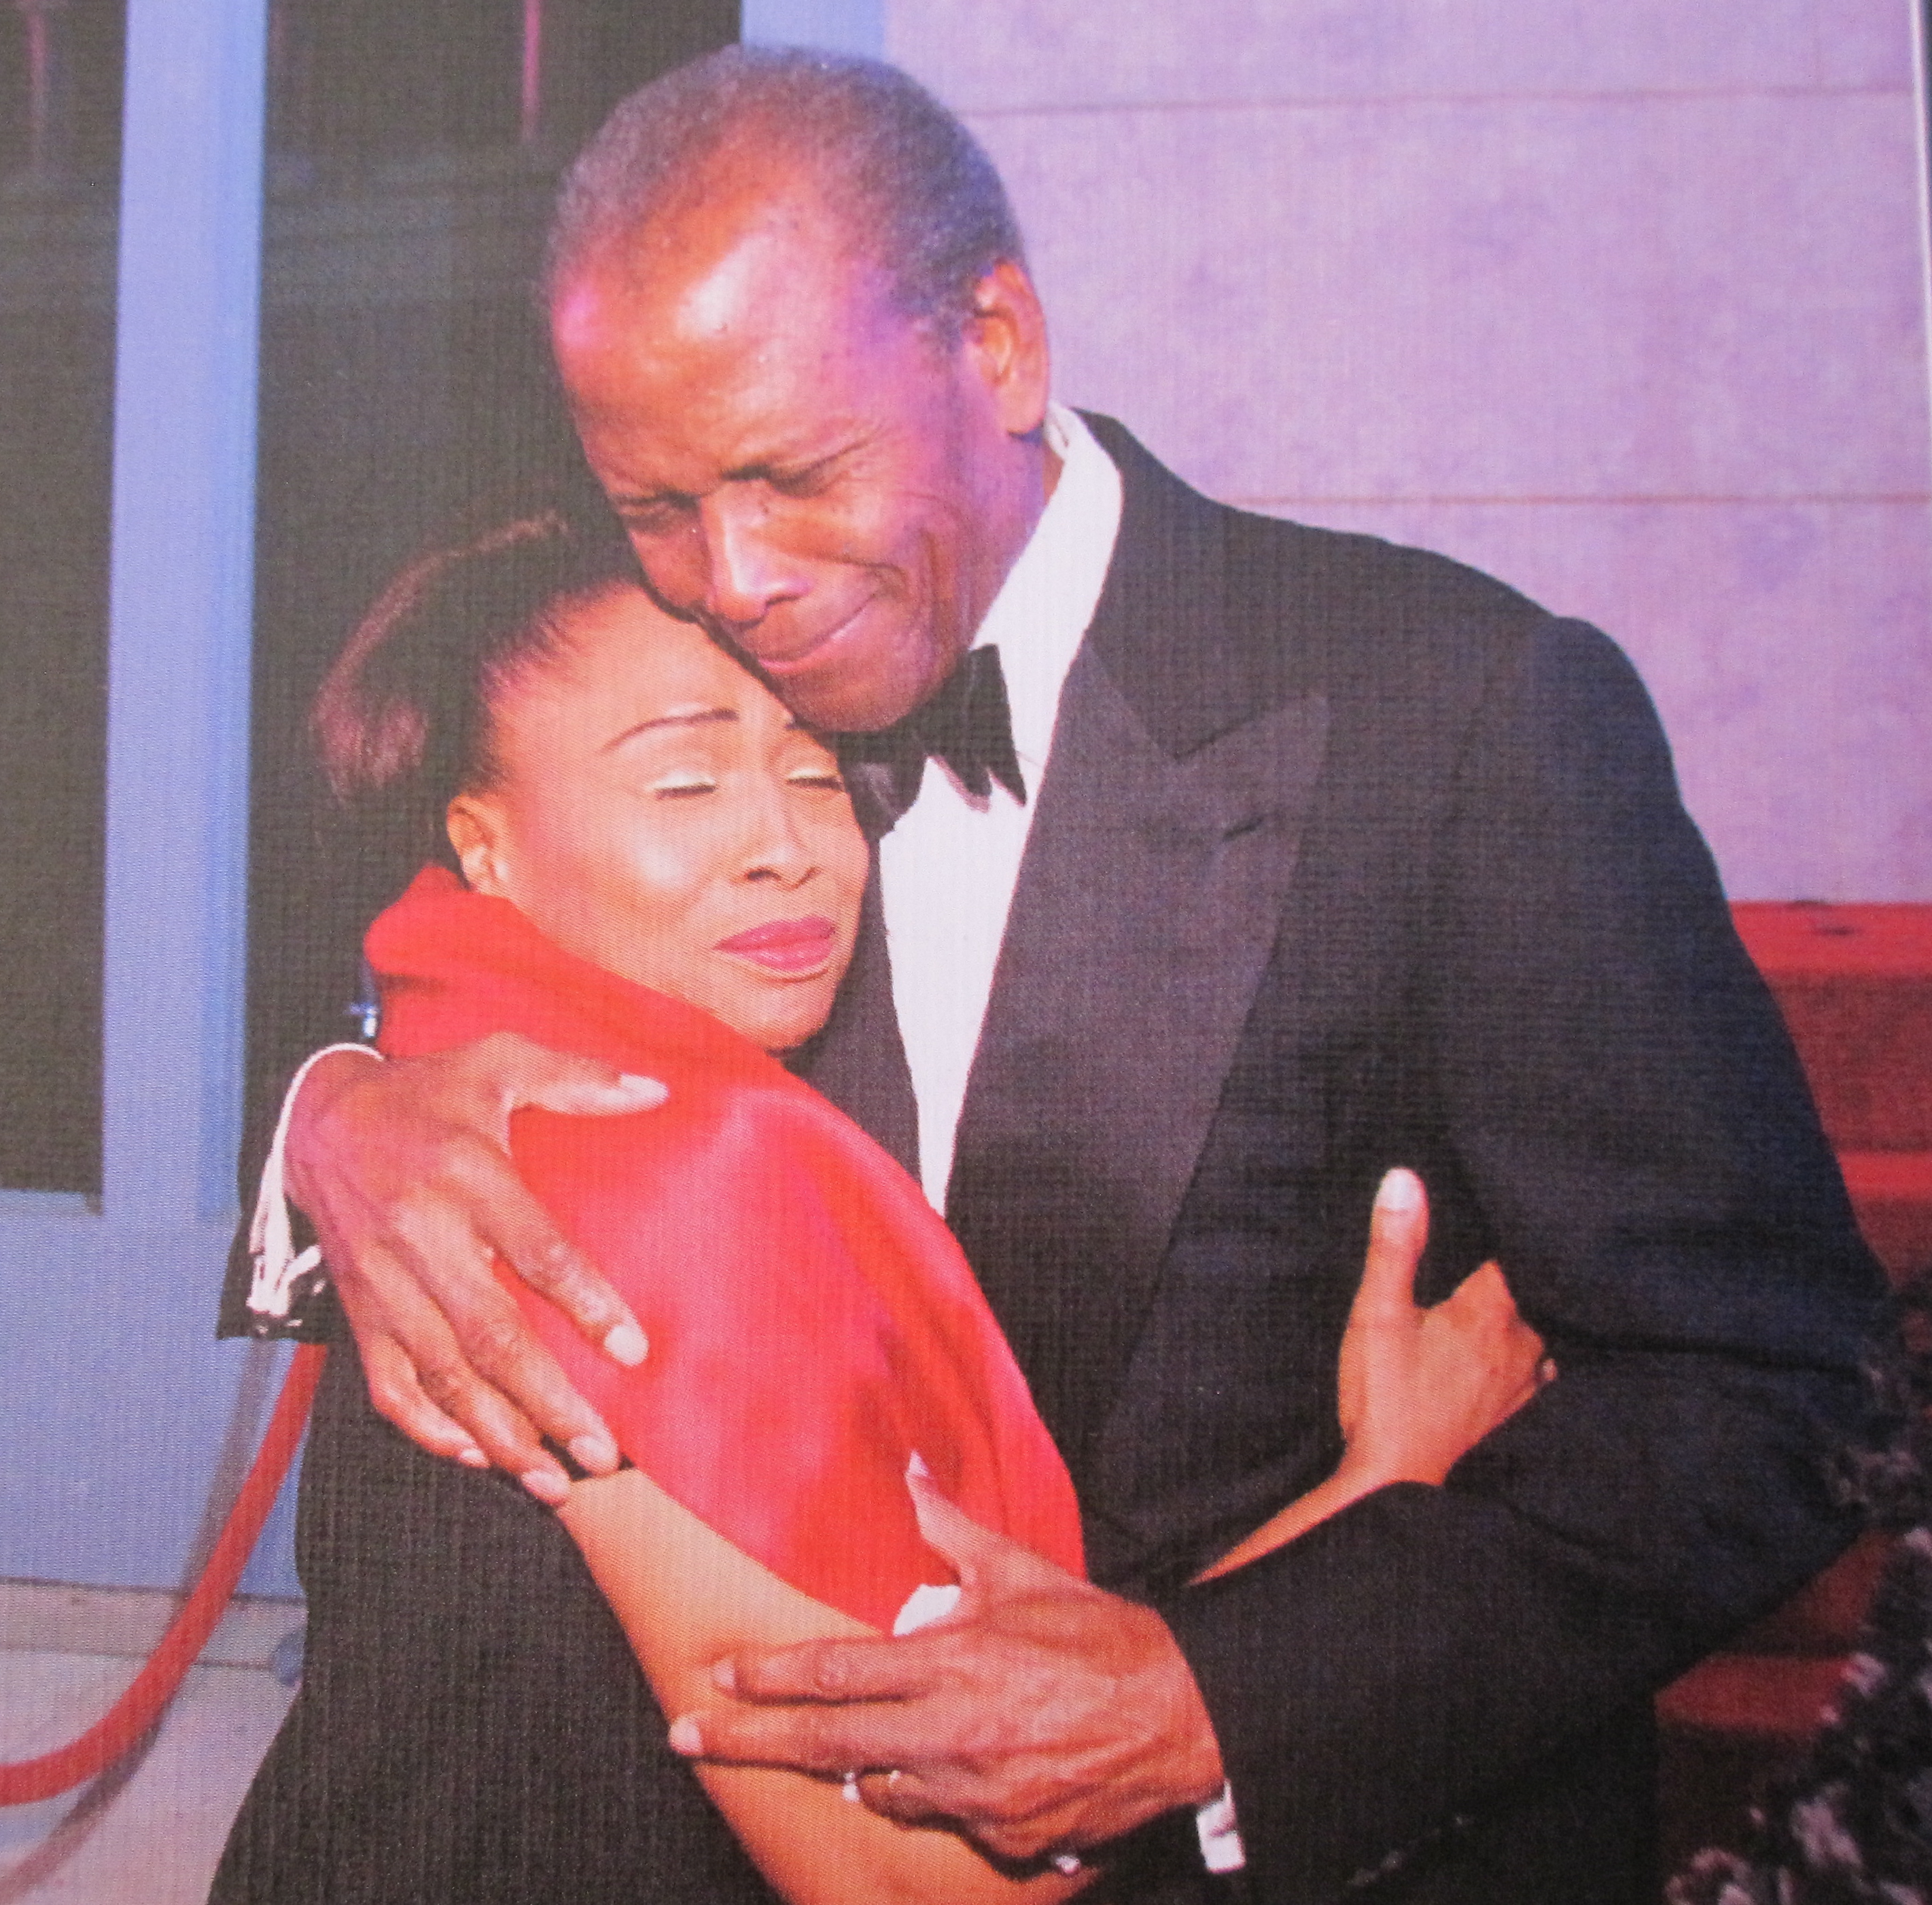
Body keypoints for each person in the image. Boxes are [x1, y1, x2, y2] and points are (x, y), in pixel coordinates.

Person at [217, 47, 1895, 1905]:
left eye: (793, 474)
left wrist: (1224, 1698)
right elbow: (410, 965)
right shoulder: (632, 654)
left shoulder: (1458, 718)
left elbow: (1771, 1385)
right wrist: (329, 1124)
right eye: (660, 505)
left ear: (999, 343)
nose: (735, 576)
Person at [217, 514, 1547, 1905]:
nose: (784, 845)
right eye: (684, 782)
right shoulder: (647, 1175)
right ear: (481, 847)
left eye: (814, 772)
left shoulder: (479, 1059)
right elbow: (929, 1877)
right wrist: (1385, 1489)